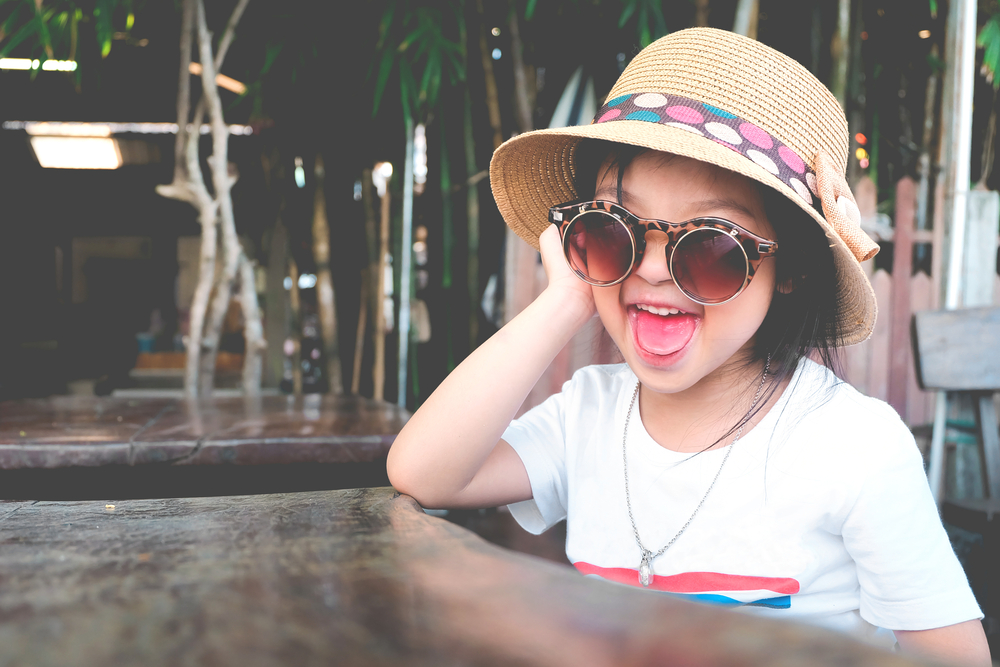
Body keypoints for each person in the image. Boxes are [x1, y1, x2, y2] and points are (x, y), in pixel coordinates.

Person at [387, 28, 992, 665]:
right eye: (612, 229)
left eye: (709, 245)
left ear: (790, 272)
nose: (650, 270)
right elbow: (425, 473)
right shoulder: (587, 415)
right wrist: (566, 297)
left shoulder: (854, 446)